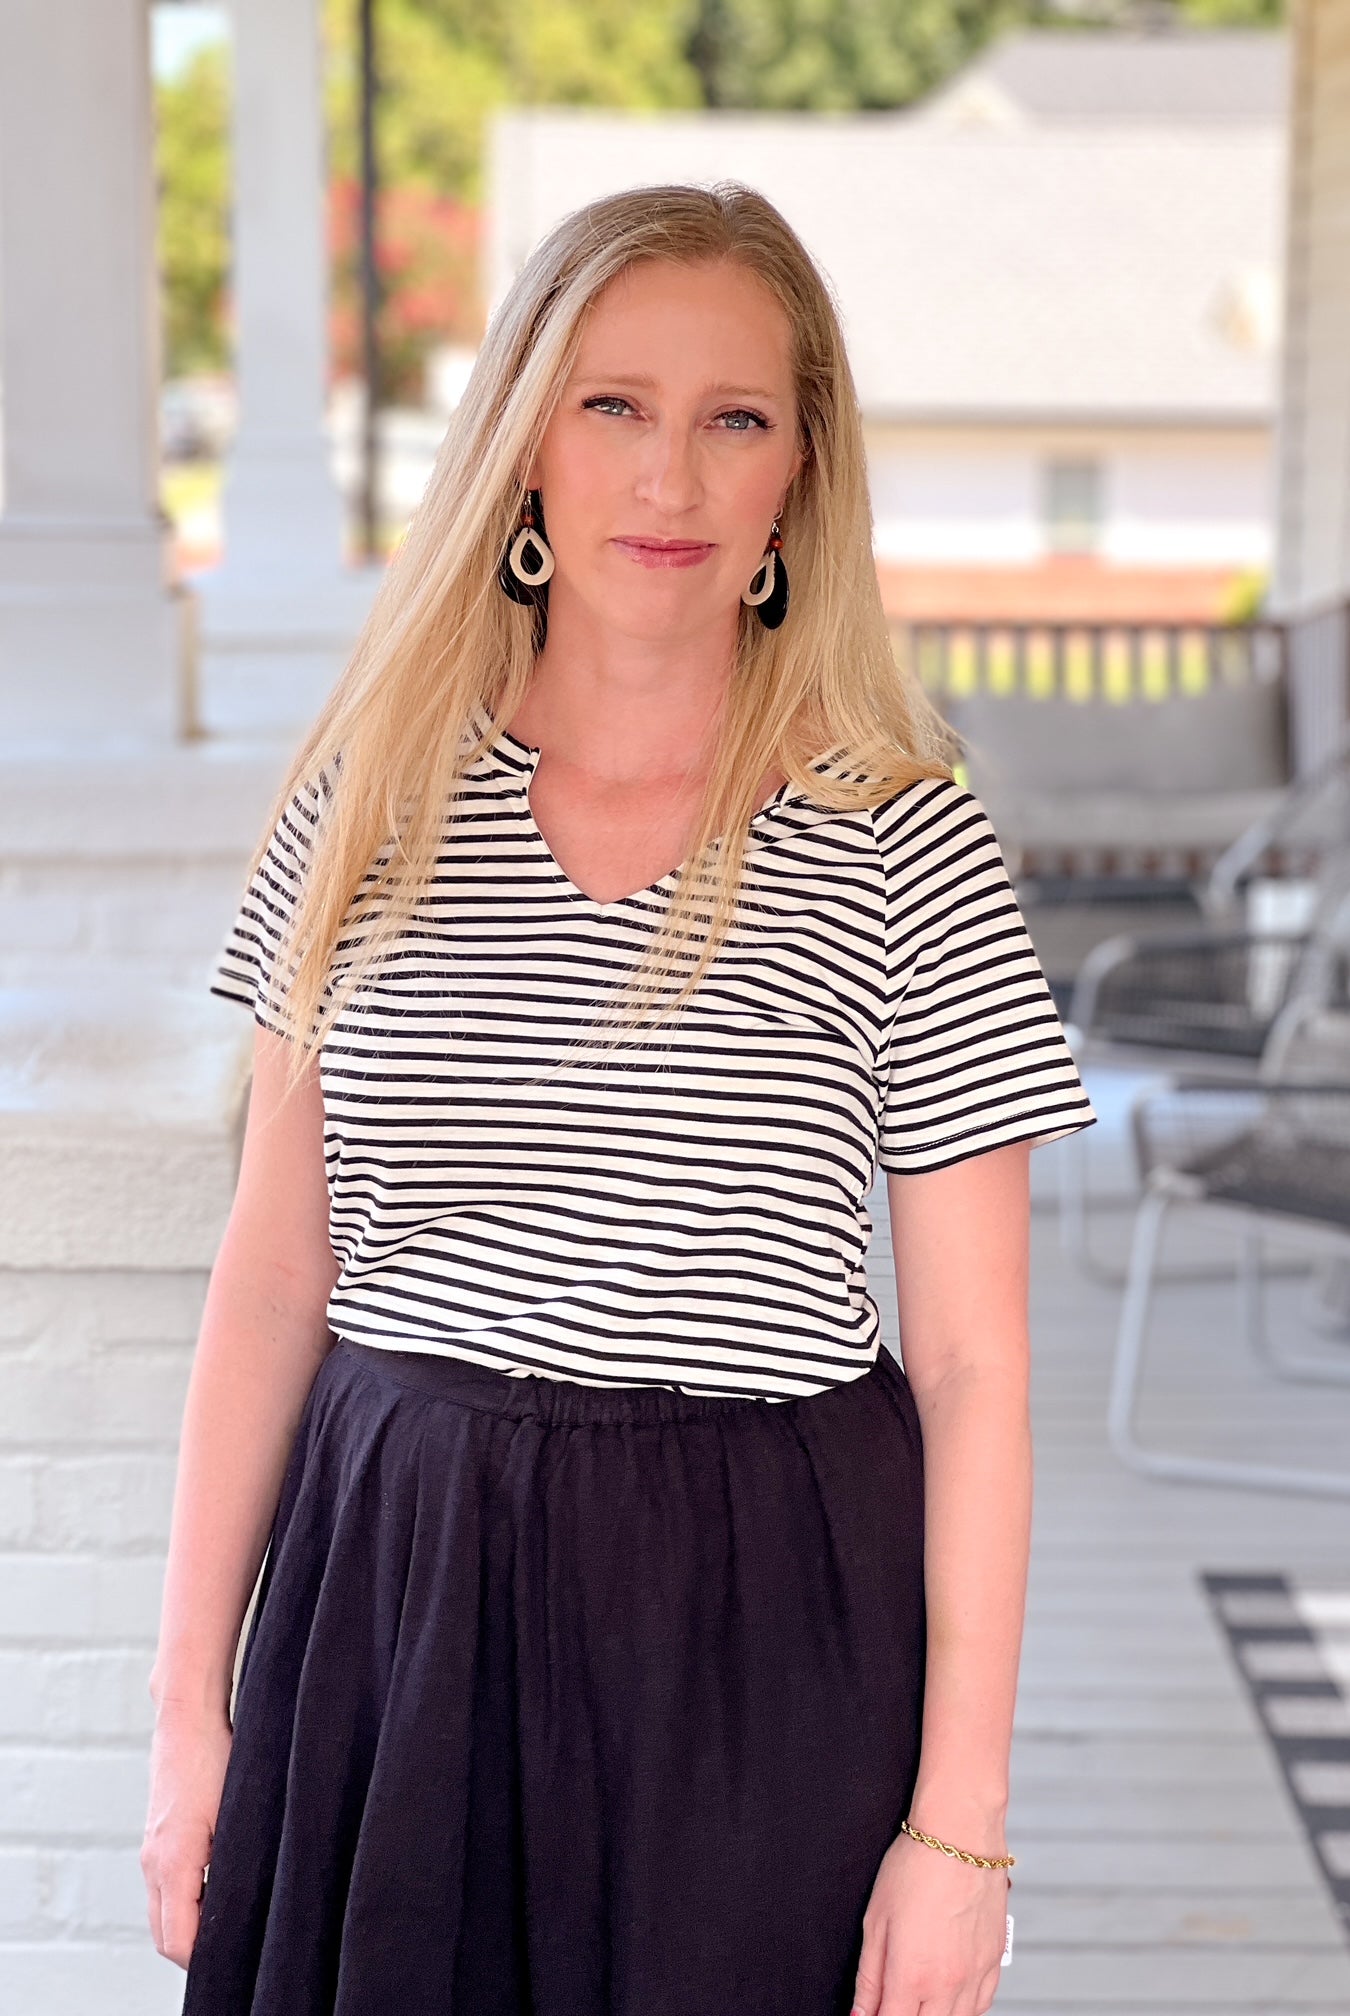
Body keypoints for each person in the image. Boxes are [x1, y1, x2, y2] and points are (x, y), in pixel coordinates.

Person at [142, 180, 1097, 2016]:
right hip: (395, 1598)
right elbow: (270, 1284)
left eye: (733, 417)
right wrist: (190, 1716)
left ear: (798, 474)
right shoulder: (370, 801)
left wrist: (959, 1829)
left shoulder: (905, 839)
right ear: (524, 442)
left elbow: (976, 1368)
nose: (669, 477)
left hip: (757, 1630)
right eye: (613, 406)